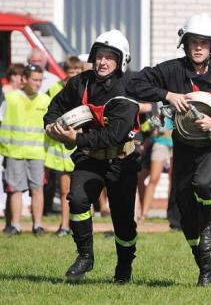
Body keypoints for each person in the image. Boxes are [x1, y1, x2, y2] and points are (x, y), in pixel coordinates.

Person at [127, 13, 211, 286]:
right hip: (183, 145)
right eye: (193, 42)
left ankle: (208, 222)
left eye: (204, 43)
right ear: (184, 44)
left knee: (204, 183)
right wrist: (166, 94)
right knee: (184, 212)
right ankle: (205, 268)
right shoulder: (171, 70)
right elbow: (133, 83)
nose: (198, 47)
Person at [44, 29, 140, 283]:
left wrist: (75, 139)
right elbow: (56, 106)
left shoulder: (127, 89)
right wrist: (50, 124)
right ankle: (85, 256)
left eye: (110, 57)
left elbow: (113, 136)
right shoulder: (79, 82)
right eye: (99, 55)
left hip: (121, 160)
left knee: (123, 221)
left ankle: (124, 267)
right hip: (89, 157)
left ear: (121, 61)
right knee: (76, 199)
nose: (103, 61)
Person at [0, 64, 49, 236]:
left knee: (37, 189)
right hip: (13, 151)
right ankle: (16, 225)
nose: (38, 83)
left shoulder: (45, 100)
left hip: (37, 153)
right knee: (15, 189)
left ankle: (38, 226)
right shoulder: (11, 98)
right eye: (34, 80)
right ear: (24, 79)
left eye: (40, 80)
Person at [44, 56, 83, 236]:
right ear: (64, 72)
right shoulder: (54, 89)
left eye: (77, 71)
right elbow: (49, 113)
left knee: (82, 191)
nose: (74, 75)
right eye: (70, 72)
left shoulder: (86, 89)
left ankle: (80, 226)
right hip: (60, 147)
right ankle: (64, 226)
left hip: (82, 143)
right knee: (64, 190)